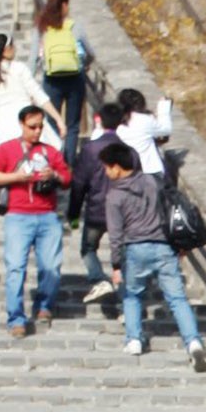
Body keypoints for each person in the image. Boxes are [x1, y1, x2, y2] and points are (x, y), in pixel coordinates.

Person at [100, 141, 206, 368]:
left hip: (135, 249)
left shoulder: (114, 196)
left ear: (117, 167)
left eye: (107, 167)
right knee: (177, 298)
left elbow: (115, 234)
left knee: (132, 296)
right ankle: (194, 343)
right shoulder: (153, 181)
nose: (106, 171)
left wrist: (116, 265)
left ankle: (134, 340)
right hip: (163, 246)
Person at [0, 107, 71, 337]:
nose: (36, 131)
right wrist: (18, 177)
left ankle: (44, 304)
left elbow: (67, 178)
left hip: (47, 215)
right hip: (17, 215)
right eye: (32, 127)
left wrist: (52, 175)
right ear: (21, 124)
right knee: (15, 268)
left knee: (51, 266)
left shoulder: (50, 151)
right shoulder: (7, 149)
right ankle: (16, 318)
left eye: (40, 127)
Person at [68, 100, 125, 305]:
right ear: (121, 122)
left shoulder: (90, 149)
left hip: (96, 210)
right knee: (123, 257)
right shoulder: (128, 150)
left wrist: (73, 214)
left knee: (88, 248)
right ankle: (125, 304)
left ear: (99, 120)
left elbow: (79, 183)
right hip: (123, 213)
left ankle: (99, 278)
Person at [0, 33, 65, 156]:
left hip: (4, 127)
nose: (15, 48)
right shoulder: (19, 69)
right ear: (6, 50)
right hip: (27, 119)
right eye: (13, 46)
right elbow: (39, 95)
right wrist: (58, 119)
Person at [33, 0, 89, 166]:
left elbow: (33, 57)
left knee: (50, 123)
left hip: (51, 80)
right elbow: (89, 52)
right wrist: (85, 64)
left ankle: (53, 161)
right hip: (75, 78)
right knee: (72, 126)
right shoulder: (74, 27)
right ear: (64, 5)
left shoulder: (42, 28)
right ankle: (69, 164)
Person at [114, 88, 172, 178]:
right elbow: (166, 129)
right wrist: (163, 108)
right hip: (149, 171)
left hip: (126, 174)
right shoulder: (143, 119)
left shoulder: (116, 122)